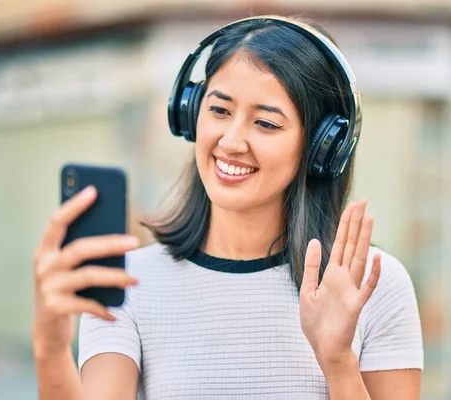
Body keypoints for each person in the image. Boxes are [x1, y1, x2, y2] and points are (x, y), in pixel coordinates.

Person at [32, 15, 423, 400]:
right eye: (219, 110)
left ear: (321, 148)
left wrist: (338, 362)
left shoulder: (374, 287)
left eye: (266, 123)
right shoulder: (131, 284)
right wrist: (50, 346)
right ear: (190, 115)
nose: (232, 141)